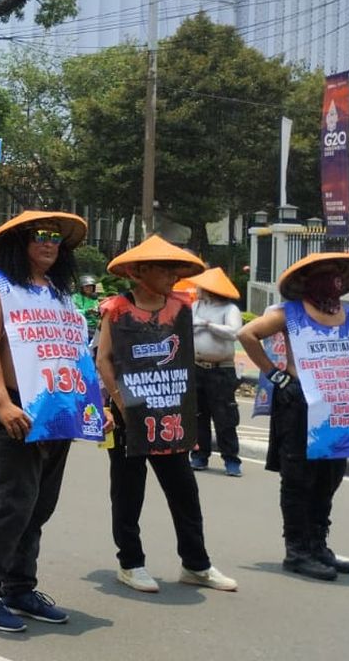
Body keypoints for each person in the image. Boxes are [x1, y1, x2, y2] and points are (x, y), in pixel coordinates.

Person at [0, 211, 108, 633]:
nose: (50, 244)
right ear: (18, 242)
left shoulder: (60, 294)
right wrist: (4, 404)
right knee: (12, 505)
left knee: (40, 505)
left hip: (56, 408)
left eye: (56, 239)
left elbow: (73, 351)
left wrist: (95, 407)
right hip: (12, 408)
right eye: (41, 236)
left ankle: (19, 587)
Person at [97, 235, 237, 595]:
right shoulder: (116, 309)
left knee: (184, 491)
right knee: (128, 492)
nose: (173, 275)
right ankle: (130, 563)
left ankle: (196, 564)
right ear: (140, 271)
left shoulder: (181, 308)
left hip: (171, 415)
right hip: (130, 417)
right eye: (164, 268)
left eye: (175, 269)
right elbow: (104, 361)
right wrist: (121, 404)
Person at [238, 252, 349, 582]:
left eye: (337, 273)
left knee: (331, 474)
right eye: (325, 274)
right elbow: (247, 335)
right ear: (308, 281)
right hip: (301, 403)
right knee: (299, 479)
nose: (333, 279)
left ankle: (318, 544)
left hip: (338, 406)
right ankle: (297, 551)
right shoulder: (290, 313)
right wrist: (276, 375)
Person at [187, 267, 244, 477]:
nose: (196, 289)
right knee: (197, 414)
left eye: (200, 286)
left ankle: (231, 459)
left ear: (210, 289)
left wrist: (207, 325)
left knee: (225, 416)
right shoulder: (195, 306)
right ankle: (199, 455)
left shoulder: (230, 310)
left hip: (221, 369)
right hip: (197, 366)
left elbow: (234, 333)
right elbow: (185, 326)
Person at [71, 274, 102, 342]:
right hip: (82, 326)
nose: (89, 288)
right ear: (82, 287)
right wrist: (87, 311)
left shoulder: (94, 298)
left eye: (91, 286)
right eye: (86, 286)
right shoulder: (75, 297)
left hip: (95, 327)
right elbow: (73, 312)